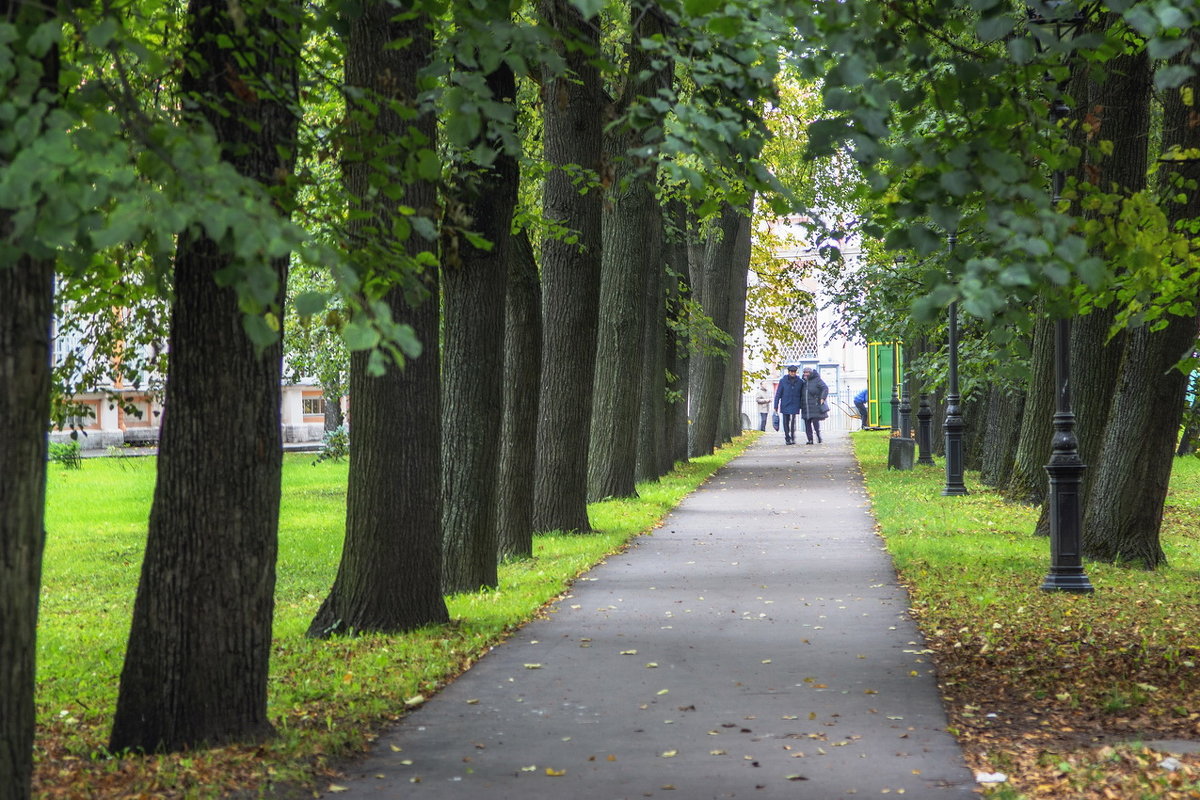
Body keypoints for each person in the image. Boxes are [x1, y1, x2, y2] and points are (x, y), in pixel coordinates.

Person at [773, 365, 804, 445]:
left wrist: (801, 405)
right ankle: (787, 437)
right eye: (791, 372)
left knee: (793, 421)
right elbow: (778, 393)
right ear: (789, 372)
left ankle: (793, 437)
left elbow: (801, 394)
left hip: (795, 403)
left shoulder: (800, 381)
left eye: (794, 372)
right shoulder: (783, 381)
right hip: (785, 403)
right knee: (786, 421)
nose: (793, 373)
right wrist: (775, 406)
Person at [800, 366, 829, 444]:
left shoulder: (817, 380)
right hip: (805, 406)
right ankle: (810, 439)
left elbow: (825, 388)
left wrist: (822, 398)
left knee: (815, 422)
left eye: (807, 372)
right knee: (807, 424)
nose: (806, 374)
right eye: (805, 372)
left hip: (814, 405)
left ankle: (818, 436)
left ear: (810, 373)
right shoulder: (803, 382)